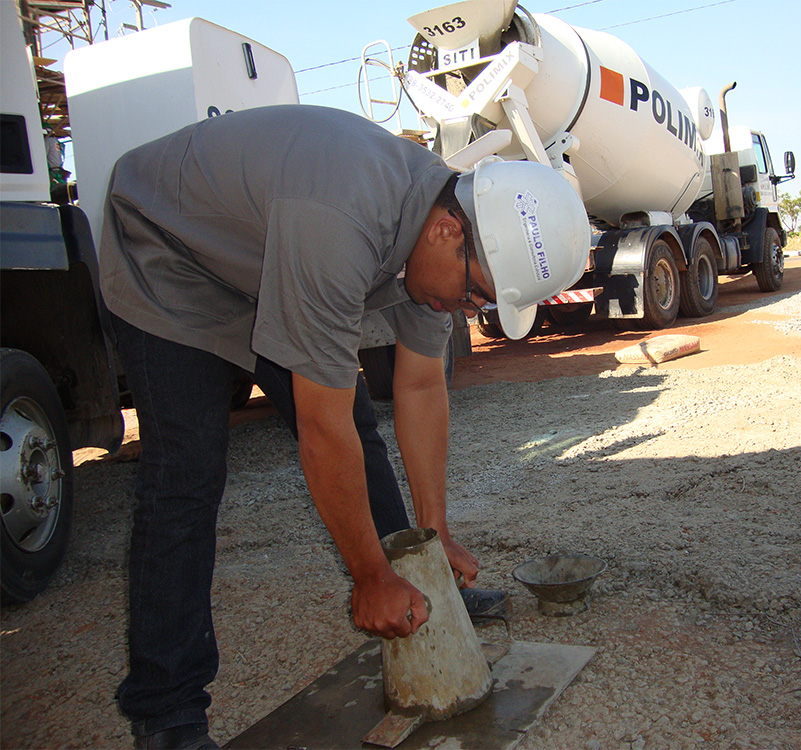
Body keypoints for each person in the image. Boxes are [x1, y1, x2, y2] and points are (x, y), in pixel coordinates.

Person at [99, 104, 590, 750]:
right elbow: (320, 428)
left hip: (263, 260)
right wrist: (366, 575)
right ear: (448, 231)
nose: (465, 309)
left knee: (359, 425)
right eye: (474, 295)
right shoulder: (341, 219)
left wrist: (435, 537)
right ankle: (167, 710)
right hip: (167, 251)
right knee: (186, 473)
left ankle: (415, 585)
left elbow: (420, 387)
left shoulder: (442, 225)